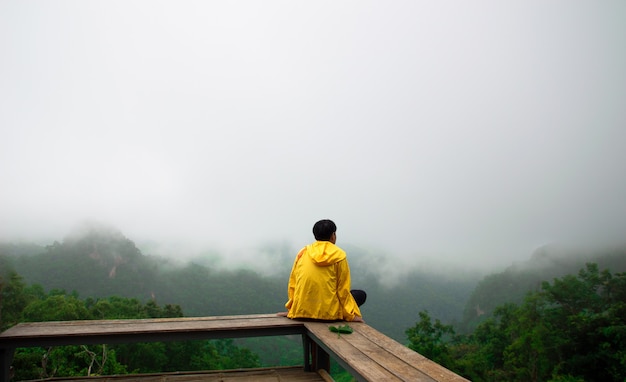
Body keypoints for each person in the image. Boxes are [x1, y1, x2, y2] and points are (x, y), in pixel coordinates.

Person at [279, 219, 365, 322]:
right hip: (329, 314)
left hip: (300, 311)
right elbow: (342, 289)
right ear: (333, 235)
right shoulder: (339, 255)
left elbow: (293, 283)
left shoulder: (303, 252)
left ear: (315, 236)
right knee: (360, 295)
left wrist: (292, 309)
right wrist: (351, 315)